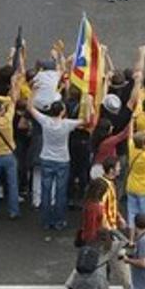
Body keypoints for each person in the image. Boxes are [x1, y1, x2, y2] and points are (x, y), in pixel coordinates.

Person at [28, 96, 92, 231]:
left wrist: (33, 93)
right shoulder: (67, 124)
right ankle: (59, 221)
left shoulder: (45, 121)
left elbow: (30, 108)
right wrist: (88, 103)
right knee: (60, 192)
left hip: (46, 158)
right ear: (62, 112)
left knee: (45, 191)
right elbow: (86, 121)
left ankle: (46, 221)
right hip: (62, 160)